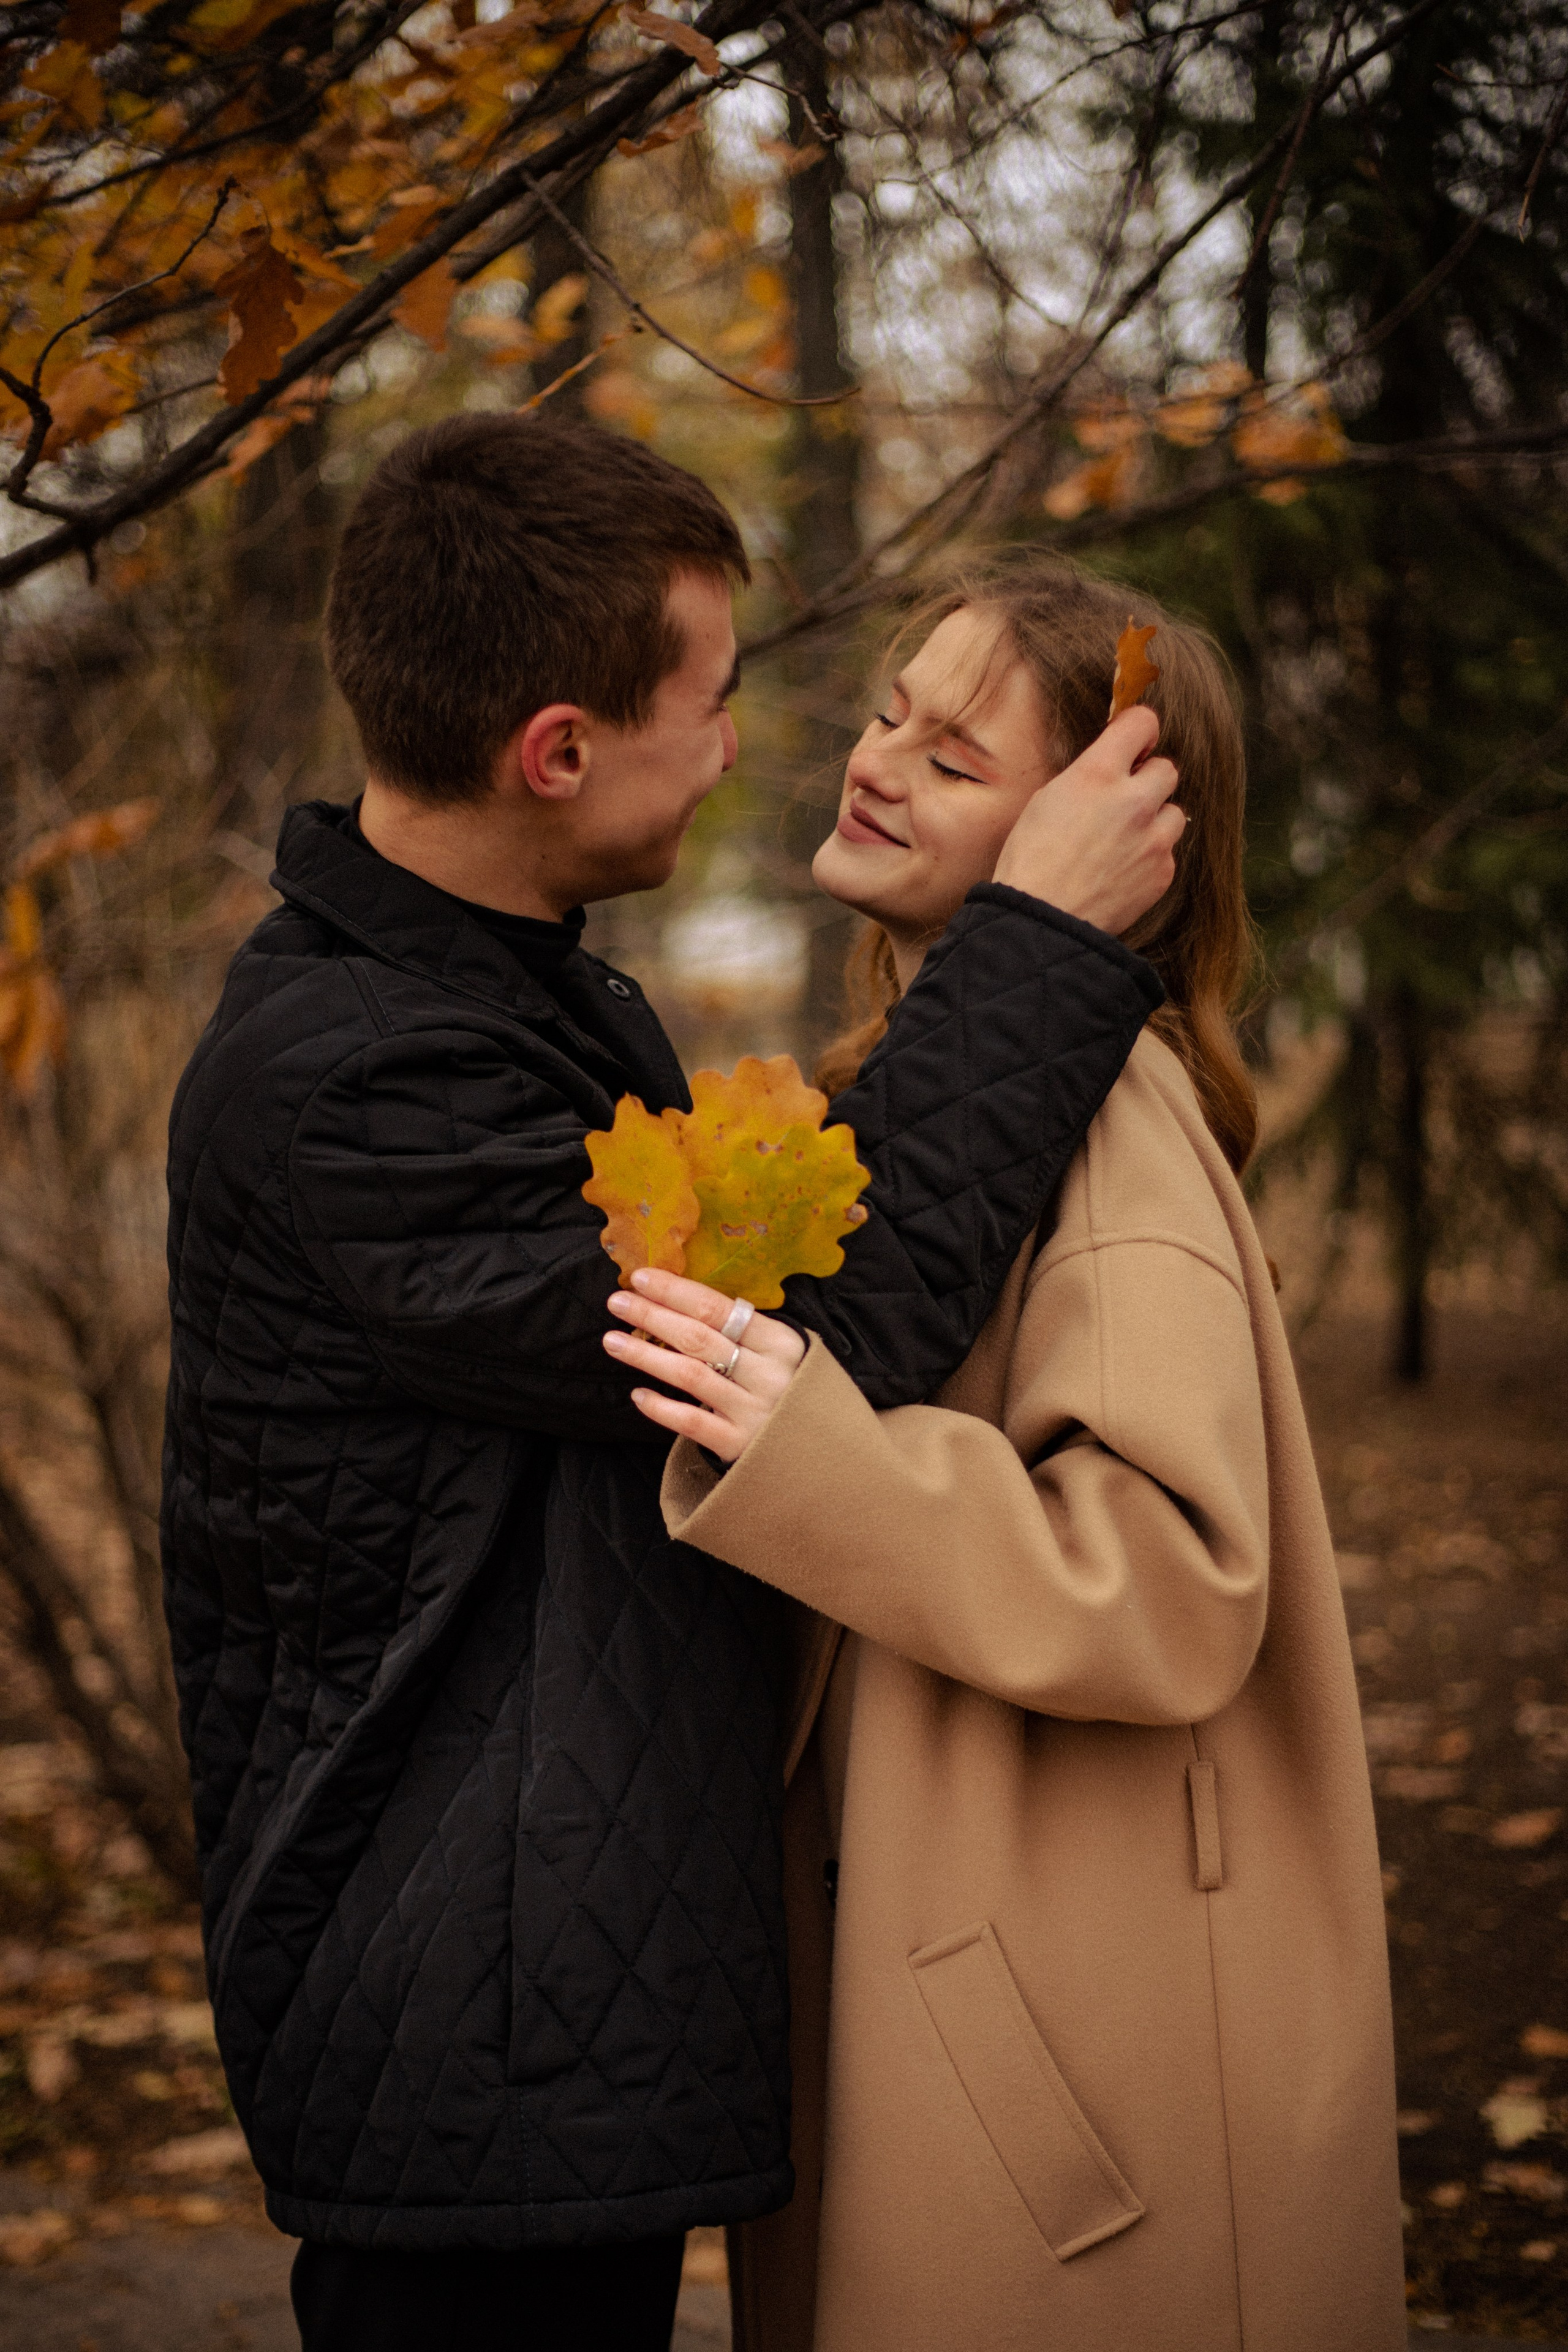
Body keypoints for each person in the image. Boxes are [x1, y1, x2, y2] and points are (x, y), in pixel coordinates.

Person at [160, 421, 1185, 2352]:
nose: (738, 744)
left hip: (527, 1964)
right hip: (468, 2008)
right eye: (707, 703)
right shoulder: (360, 1090)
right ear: (558, 750)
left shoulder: (504, 993)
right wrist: (1041, 940)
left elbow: (774, 1274)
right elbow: (809, 1360)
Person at [605, 562, 1406, 2352]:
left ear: (1101, 836)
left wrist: (803, 1446)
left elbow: (1168, 1579)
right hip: (973, 1985)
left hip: (1066, 2044)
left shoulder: (1108, 1121)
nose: (879, 761)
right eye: (891, 713)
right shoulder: (926, 1083)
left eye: (955, 758)